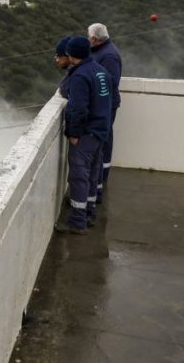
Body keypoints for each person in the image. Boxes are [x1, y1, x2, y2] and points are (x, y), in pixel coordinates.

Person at [55, 36, 112, 234]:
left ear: (71, 55)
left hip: (86, 133)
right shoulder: (101, 71)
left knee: (79, 176)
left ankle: (77, 222)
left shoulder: (80, 76)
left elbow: (78, 109)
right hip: (101, 131)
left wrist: (73, 133)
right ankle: (89, 213)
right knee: (92, 174)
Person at [88, 23, 122, 204]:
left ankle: (102, 176)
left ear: (94, 38)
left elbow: (110, 82)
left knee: (103, 139)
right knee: (103, 137)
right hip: (102, 104)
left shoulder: (109, 56)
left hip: (106, 105)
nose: (87, 39)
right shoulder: (99, 51)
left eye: (88, 36)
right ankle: (98, 177)